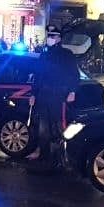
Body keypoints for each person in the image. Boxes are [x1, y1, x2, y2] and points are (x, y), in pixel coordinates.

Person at [29, 24, 77, 169]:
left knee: (59, 126)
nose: (50, 38)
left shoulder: (67, 55)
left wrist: (72, 91)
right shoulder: (45, 54)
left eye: (53, 36)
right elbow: (38, 76)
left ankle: (62, 156)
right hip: (44, 95)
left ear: (59, 38)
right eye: (49, 36)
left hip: (59, 95)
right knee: (43, 127)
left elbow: (73, 75)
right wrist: (33, 94)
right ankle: (44, 154)